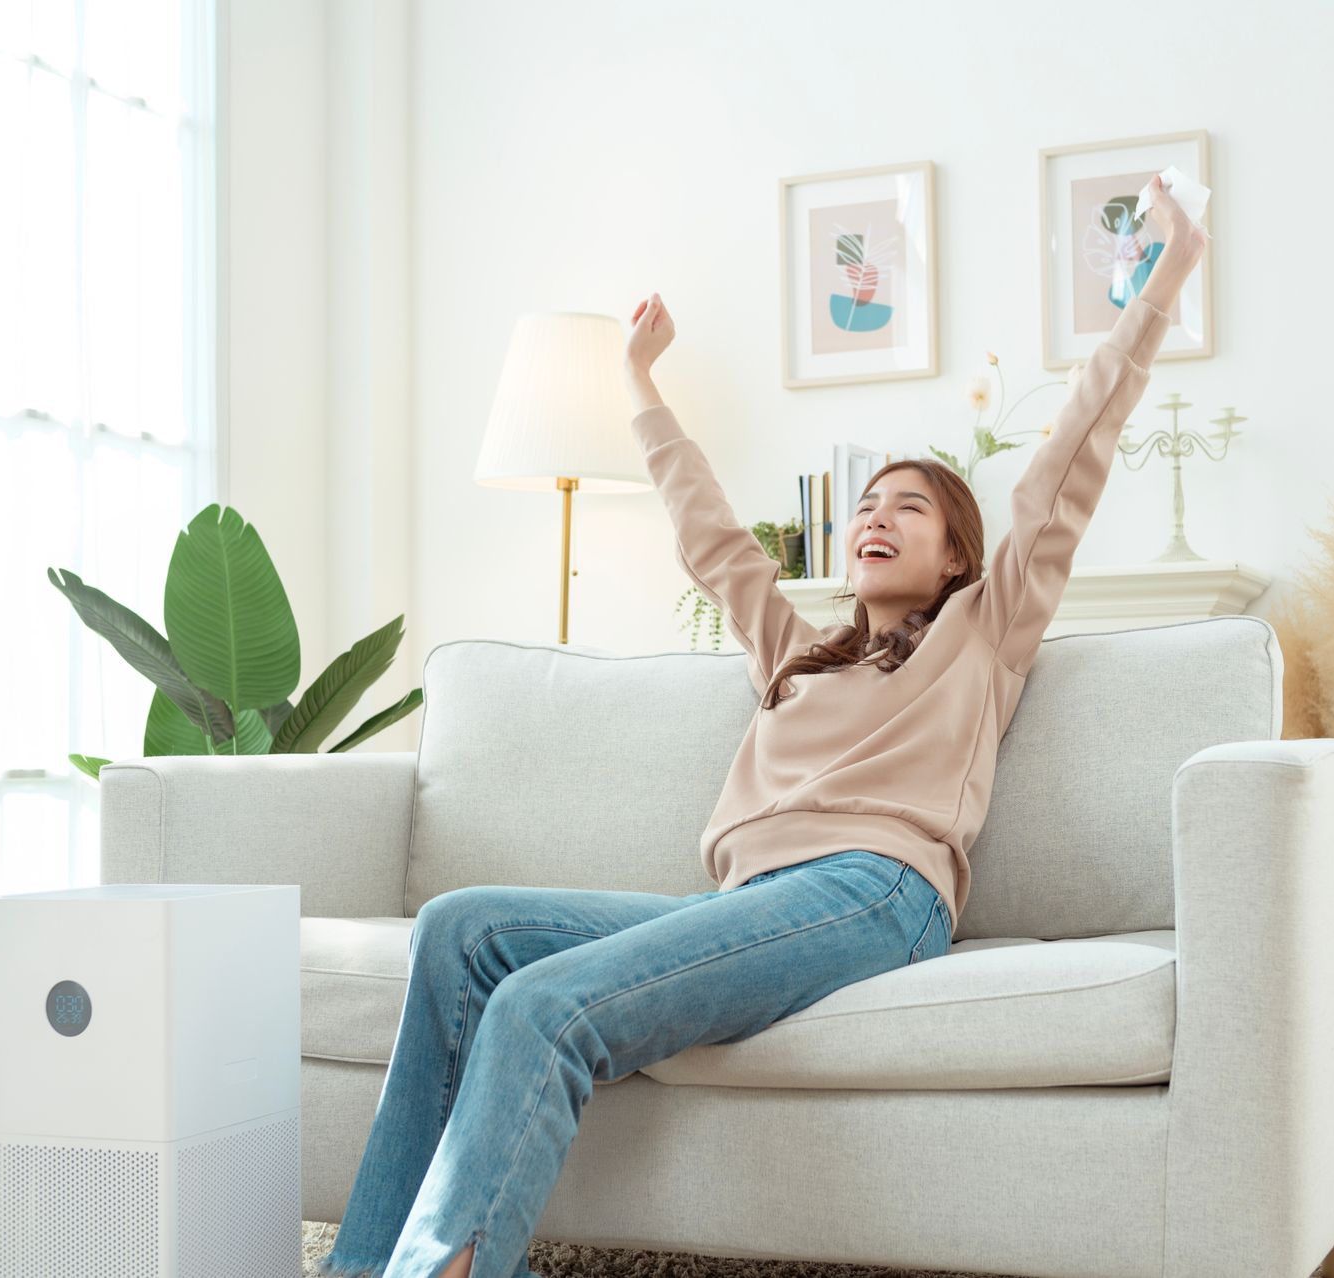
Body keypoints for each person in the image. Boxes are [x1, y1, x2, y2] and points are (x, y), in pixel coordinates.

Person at [316, 174, 1207, 1278]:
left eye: (910, 506)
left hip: (873, 890)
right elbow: (712, 536)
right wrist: (639, 382)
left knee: (546, 1008)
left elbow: (1074, 451)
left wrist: (1164, 271)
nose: (877, 516)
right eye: (868, 504)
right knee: (460, 929)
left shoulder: (982, 631)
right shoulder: (795, 655)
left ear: (960, 556)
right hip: (747, 902)